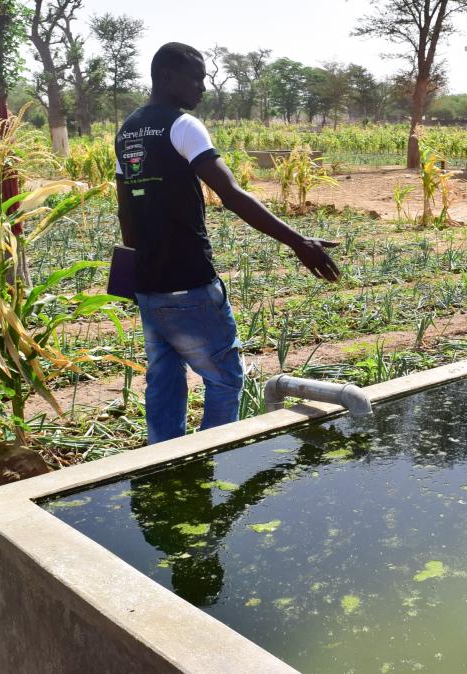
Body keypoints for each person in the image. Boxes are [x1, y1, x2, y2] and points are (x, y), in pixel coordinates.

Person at [115, 42, 340, 443]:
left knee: (164, 381)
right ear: (167, 77)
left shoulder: (128, 130)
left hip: (149, 284)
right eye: (196, 78)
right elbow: (232, 195)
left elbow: (125, 213)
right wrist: (298, 242)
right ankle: (214, 457)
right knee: (225, 380)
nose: (203, 87)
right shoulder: (181, 125)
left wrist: (142, 267)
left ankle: (162, 464)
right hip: (190, 280)